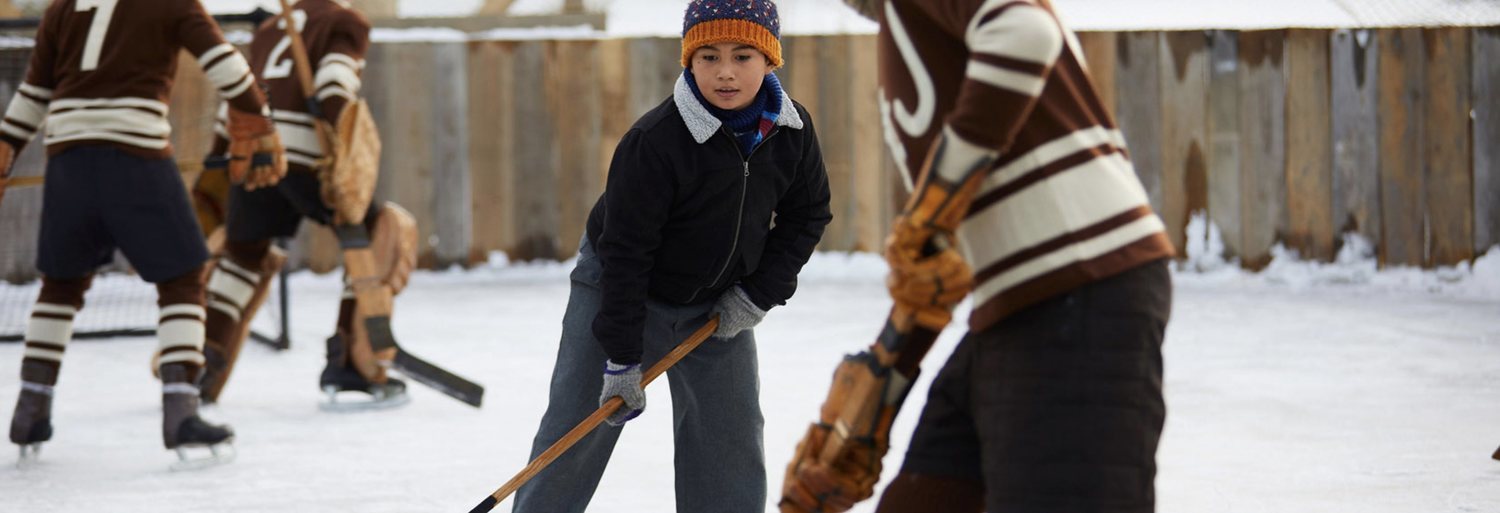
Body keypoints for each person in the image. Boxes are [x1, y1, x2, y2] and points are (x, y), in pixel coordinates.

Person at [781, 0, 1176, 512]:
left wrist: (934, 203)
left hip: (1078, 289)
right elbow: (942, 261)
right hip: (1019, 305)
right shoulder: (907, 25)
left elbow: (1024, 31)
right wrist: (876, 394)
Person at [512, 1, 831, 511]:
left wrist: (756, 295)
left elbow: (808, 214)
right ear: (688, 61)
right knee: (577, 428)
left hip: (722, 303)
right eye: (708, 56)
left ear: (770, 60)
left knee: (730, 439)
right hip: (624, 289)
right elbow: (626, 253)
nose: (725, 71)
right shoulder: (655, 141)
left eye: (743, 55)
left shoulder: (792, 131)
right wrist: (621, 355)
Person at [2, 0, 284, 464]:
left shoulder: (63, 6)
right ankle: (181, 411)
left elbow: (35, 91)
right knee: (184, 279)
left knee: (60, 285)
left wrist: (7, 145)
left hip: (68, 159)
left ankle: (30, 408)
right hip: (136, 153)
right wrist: (258, 116)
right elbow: (224, 63)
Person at [194, 0, 417, 408]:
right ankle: (350, 364)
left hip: (256, 156)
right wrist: (342, 155)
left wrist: (220, 161)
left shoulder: (270, 27)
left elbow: (238, 99)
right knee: (374, 231)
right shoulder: (344, 21)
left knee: (242, 255)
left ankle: (201, 363)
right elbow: (333, 84)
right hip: (306, 158)